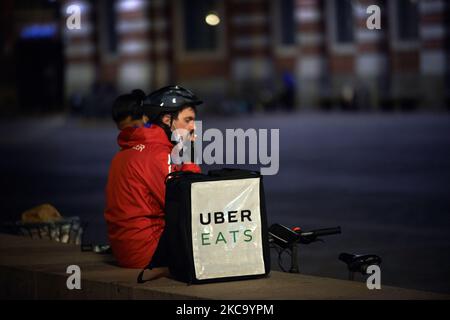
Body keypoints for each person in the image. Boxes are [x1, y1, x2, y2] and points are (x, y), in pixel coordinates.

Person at [104, 86, 202, 273]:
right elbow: (191, 203)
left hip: (124, 250)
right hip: (146, 253)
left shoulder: (126, 150)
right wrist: (189, 154)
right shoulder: (158, 154)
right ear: (167, 120)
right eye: (188, 120)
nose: (193, 127)